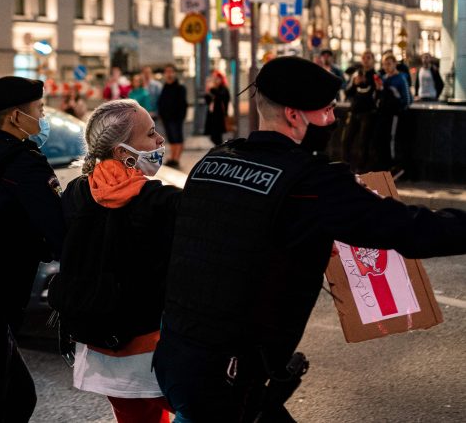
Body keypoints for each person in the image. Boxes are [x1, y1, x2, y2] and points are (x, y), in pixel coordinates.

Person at [152, 56, 466, 423]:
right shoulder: (312, 184)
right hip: (229, 378)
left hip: (177, 358)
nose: (333, 119)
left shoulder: (212, 162)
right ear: (294, 115)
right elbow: (412, 230)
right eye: (327, 110)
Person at [60, 99, 180, 423]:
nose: (159, 141)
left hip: (100, 350)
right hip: (152, 349)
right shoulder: (160, 201)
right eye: (151, 133)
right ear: (122, 152)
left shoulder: (76, 192)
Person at [0, 76, 66, 422]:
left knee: (17, 396)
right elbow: (59, 231)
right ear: (14, 118)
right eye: (38, 110)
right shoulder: (23, 164)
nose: (42, 118)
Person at [373, 53, 413, 173]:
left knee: (392, 139)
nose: (386, 67)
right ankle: (384, 165)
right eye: (384, 64)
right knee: (381, 139)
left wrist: (398, 109)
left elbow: (407, 99)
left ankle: (395, 166)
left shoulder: (401, 78)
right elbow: (378, 97)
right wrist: (379, 89)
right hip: (384, 114)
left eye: (389, 64)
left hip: (395, 115)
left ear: (395, 64)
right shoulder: (384, 78)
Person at [341, 50, 378, 172]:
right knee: (346, 141)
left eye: (368, 58)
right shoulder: (356, 75)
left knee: (364, 142)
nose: (366, 60)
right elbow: (347, 93)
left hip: (367, 113)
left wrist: (371, 84)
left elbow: (378, 93)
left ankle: (361, 170)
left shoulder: (375, 76)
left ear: (373, 60)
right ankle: (345, 168)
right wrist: (355, 84)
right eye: (364, 58)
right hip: (354, 112)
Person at [157, 64, 188, 169]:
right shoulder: (165, 87)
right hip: (166, 118)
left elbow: (183, 104)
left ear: (174, 73)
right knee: (171, 139)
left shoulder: (180, 87)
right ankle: (172, 158)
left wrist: (180, 117)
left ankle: (176, 159)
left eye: (171, 71)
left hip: (176, 118)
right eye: (167, 72)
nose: (169, 74)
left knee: (177, 138)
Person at [204, 70, 231, 146]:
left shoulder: (223, 89)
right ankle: (218, 150)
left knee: (217, 137)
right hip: (212, 116)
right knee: (213, 137)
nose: (215, 80)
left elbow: (221, 98)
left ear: (221, 79)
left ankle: (220, 151)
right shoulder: (213, 89)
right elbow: (208, 101)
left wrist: (212, 89)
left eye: (217, 78)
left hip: (219, 116)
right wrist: (208, 92)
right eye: (214, 78)